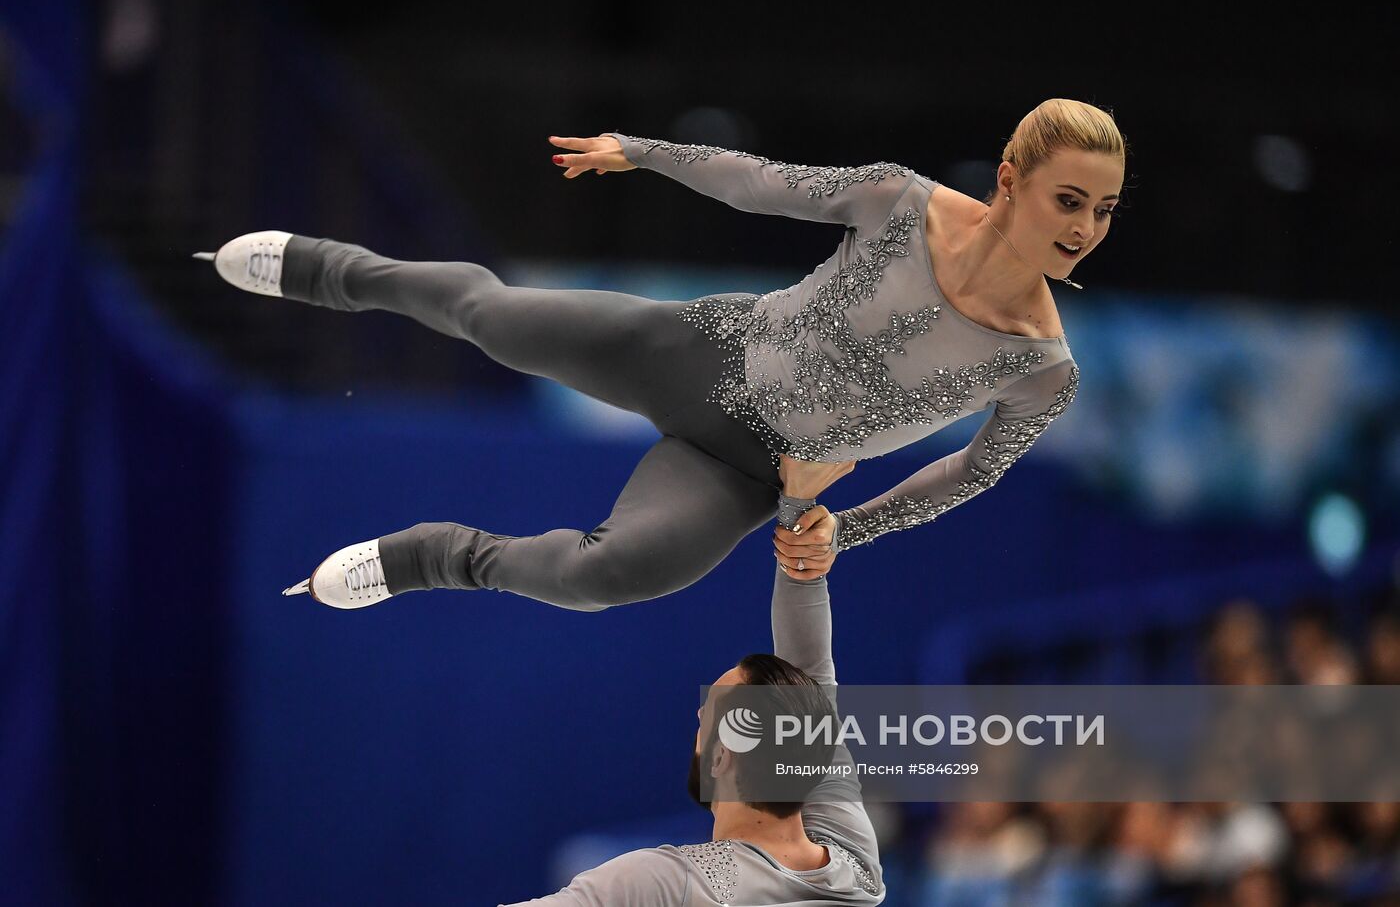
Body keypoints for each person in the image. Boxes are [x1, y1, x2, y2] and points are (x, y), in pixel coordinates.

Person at [196, 98, 1125, 610]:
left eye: (1103, 210)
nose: (1086, 227)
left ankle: (435, 557)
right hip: (703, 350)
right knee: (492, 316)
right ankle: (336, 270)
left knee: (604, 578)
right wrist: (637, 149)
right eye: (1070, 199)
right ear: (1010, 179)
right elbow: (761, 185)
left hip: (747, 472)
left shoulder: (1042, 367)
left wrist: (851, 525)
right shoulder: (899, 199)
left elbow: (971, 470)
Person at [497, 478, 885, 905]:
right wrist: (797, 506)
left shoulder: (666, 883)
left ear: (722, 757)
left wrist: (799, 498)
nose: (698, 717)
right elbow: (812, 676)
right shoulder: (852, 867)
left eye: (708, 712)